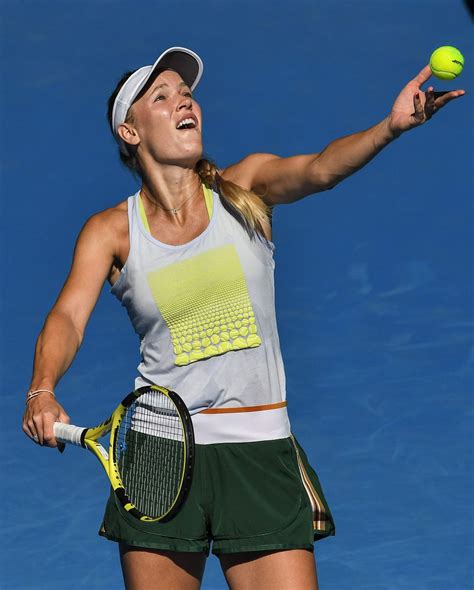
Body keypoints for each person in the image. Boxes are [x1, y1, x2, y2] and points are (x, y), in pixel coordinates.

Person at [22, 46, 464, 590]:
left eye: (186, 93)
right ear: (130, 133)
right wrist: (41, 389)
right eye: (161, 97)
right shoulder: (111, 231)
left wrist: (390, 128)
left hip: (259, 449)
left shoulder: (244, 189)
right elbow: (68, 315)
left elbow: (321, 169)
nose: (184, 100)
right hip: (162, 458)